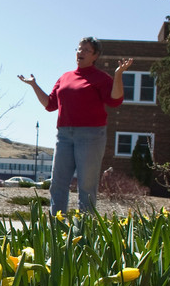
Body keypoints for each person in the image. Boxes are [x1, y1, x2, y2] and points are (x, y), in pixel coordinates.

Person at [18, 37, 133, 214]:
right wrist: (34, 85)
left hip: (91, 136)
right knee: (57, 184)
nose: (81, 52)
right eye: (79, 49)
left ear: (95, 56)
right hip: (64, 136)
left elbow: (115, 100)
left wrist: (118, 75)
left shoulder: (101, 78)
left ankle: (84, 234)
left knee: (86, 186)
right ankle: (56, 232)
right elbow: (50, 104)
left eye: (86, 50)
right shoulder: (65, 77)